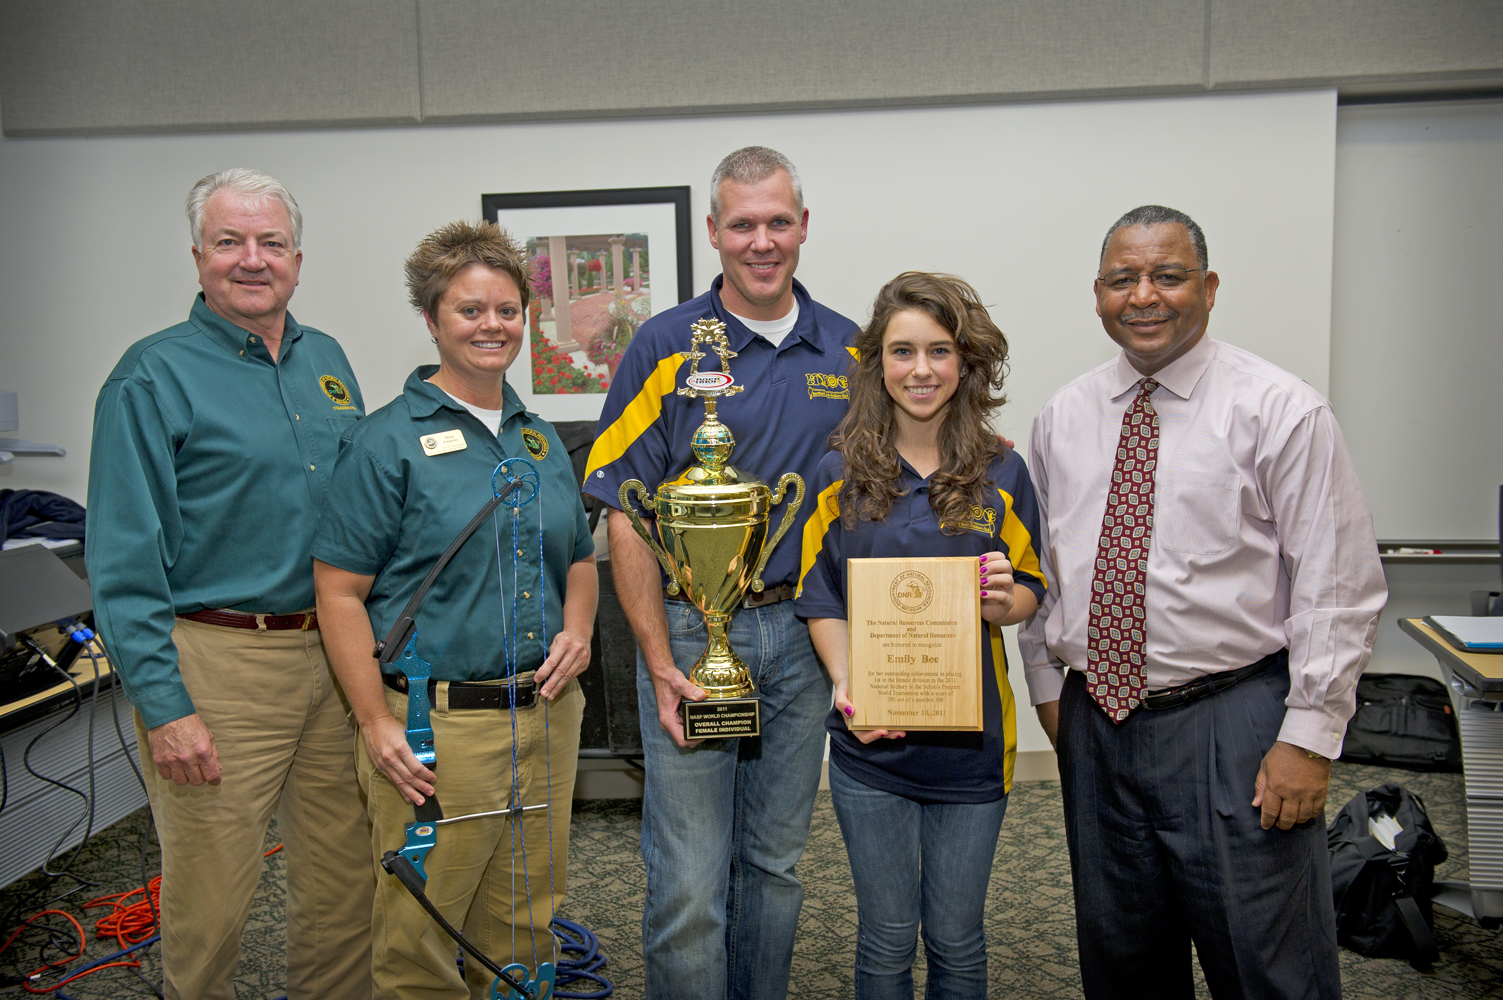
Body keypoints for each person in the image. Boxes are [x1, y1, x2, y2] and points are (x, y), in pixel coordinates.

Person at [1018, 205, 1388, 999]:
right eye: (1123, 279)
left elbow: (1337, 586)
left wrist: (1311, 737)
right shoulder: (1062, 418)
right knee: (1121, 957)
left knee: (1266, 963)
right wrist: (1049, 692)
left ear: (1209, 288)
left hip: (1235, 723)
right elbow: (1039, 575)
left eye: (1168, 275)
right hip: (1098, 726)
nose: (1144, 295)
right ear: (1097, 296)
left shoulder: (1279, 410)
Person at [85, 168, 373, 1000]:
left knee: (344, 883)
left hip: (334, 655)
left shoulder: (329, 360)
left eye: (270, 243)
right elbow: (122, 560)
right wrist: (166, 707)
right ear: (197, 255)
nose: (252, 260)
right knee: (213, 897)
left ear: (297, 257)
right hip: (218, 664)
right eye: (229, 242)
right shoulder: (149, 378)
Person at [583, 146, 859, 1000]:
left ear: (804, 226)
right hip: (696, 631)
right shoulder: (666, 344)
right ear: (713, 232)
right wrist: (659, 658)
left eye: (778, 221)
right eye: (742, 224)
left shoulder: (851, 350)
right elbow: (623, 507)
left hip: (806, 636)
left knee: (774, 864)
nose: (761, 240)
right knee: (689, 879)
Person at [313, 220, 596, 999]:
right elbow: (338, 593)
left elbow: (575, 557)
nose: (491, 326)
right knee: (422, 931)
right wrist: (373, 720)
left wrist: (577, 627)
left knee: (527, 920)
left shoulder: (538, 441)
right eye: (469, 310)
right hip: (435, 730)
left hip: (544, 715)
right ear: (433, 318)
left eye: (506, 310)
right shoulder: (387, 443)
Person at [796, 272, 1046, 999]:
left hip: (971, 754)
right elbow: (821, 601)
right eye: (902, 352)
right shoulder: (837, 474)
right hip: (869, 750)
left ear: (965, 362)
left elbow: (1031, 587)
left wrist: (1006, 602)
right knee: (884, 938)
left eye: (939, 351)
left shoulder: (1003, 470)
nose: (921, 370)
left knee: (957, 940)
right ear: (876, 363)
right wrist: (846, 685)